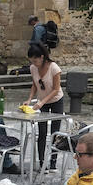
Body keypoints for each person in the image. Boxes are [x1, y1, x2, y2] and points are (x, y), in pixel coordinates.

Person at [26, 43, 65, 172]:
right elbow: (34, 84)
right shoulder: (33, 68)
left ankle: (53, 162)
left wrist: (42, 102)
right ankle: (42, 163)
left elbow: (55, 89)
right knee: (41, 132)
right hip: (41, 101)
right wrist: (30, 99)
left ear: (42, 57)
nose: (34, 63)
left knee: (55, 132)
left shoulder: (54, 68)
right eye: (32, 61)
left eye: (35, 60)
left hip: (55, 100)